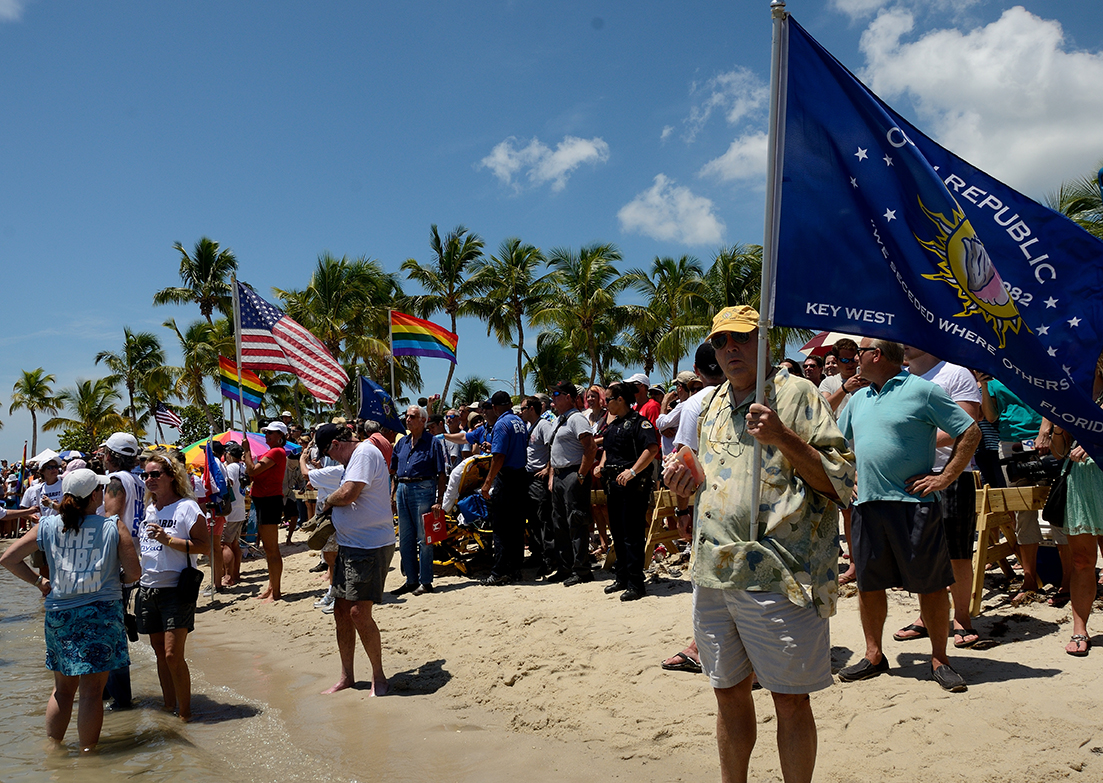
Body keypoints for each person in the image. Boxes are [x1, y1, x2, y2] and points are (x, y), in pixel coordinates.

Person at [662, 305, 855, 783]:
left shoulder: (798, 395)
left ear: (765, 344)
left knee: (789, 699)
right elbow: (702, 480)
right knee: (727, 692)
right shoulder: (707, 405)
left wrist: (783, 436)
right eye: (721, 342)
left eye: (741, 339)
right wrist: (680, 488)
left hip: (781, 574)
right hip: (712, 570)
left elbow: (840, 484)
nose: (730, 349)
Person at [837, 338, 980, 692]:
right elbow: (836, 445)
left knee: (930, 585)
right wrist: (847, 479)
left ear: (877, 355)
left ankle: (939, 659)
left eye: (859, 352)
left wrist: (945, 477)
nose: (854, 358)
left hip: (914, 506)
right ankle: (873, 655)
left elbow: (970, 431)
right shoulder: (858, 398)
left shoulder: (923, 390)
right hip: (867, 506)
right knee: (869, 584)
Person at [1, 469, 140, 751]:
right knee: (91, 693)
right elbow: (135, 572)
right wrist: (116, 579)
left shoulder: (49, 526)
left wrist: (40, 582)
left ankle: (53, 750)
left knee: (63, 691)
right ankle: (88, 756)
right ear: (93, 496)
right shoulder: (113, 527)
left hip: (60, 613)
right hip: (101, 613)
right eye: (99, 490)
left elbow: (8, 558)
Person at [891, 349, 983, 648]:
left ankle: (962, 618)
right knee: (921, 552)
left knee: (957, 553)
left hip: (952, 474)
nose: (904, 341)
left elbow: (967, 425)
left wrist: (913, 441)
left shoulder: (956, 373)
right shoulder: (900, 380)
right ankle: (926, 616)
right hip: (911, 477)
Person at [313, 424, 397, 694]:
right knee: (341, 612)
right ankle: (347, 676)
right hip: (350, 545)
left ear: (336, 444)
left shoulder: (362, 453)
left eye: (328, 452)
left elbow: (349, 493)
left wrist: (327, 502)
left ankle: (379, 677)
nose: (330, 458)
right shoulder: (352, 460)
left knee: (359, 613)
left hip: (370, 546)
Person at [135, 452, 210, 721]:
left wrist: (169, 540)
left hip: (177, 589)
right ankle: (169, 707)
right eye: (146, 475)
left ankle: (186, 714)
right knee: (159, 654)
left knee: (172, 655)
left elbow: (204, 545)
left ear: (171, 476)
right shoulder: (150, 509)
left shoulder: (187, 507)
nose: (150, 479)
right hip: (148, 588)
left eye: (156, 474)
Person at [1050, 356, 1103, 656]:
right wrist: (1058, 429)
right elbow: (1059, 453)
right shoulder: (1069, 395)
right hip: (1080, 486)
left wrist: (1096, 444)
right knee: (1082, 562)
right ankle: (1080, 629)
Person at [595, 382, 659, 601]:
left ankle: (636, 583)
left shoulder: (639, 424)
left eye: (608, 400)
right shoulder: (613, 425)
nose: (606, 404)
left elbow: (652, 449)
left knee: (632, 535)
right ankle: (621, 576)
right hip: (613, 485)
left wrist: (632, 471)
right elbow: (608, 450)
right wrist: (602, 465)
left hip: (633, 486)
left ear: (620, 400)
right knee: (619, 534)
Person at [389, 405, 446, 596]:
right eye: (407, 416)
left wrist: (439, 500)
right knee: (405, 539)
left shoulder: (432, 443)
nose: (408, 419)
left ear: (423, 420)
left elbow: (441, 473)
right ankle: (411, 580)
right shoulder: (402, 443)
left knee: (424, 538)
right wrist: (392, 495)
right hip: (403, 488)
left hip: (423, 488)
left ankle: (426, 581)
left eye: (412, 416)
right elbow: (394, 471)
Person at [547, 382, 597, 585]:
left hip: (573, 473)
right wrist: (552, 476)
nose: (553, 397)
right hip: (559, 475)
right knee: (559, 523)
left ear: (569, 396)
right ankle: (565, 567)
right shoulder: (559, 419)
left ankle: (582, 569)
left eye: (557, 394)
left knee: (576, 521)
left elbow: (591, 448)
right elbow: (553, 450)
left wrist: (582, 475)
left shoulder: (577, 419)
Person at [479, 390, 529, 585]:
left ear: (494, 407)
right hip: (520, 476)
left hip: (506, 477)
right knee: (517, 526)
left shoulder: (501, 424)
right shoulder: (519, 422)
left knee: (500, 527)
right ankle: (516, 569)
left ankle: (499, 571)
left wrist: (488, 481)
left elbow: (499, 456)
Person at [243, 421, 289, 602]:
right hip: (263, 500)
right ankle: (271, 587)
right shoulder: (271, 452)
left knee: (271, 549)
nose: (266, 435)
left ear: (280, 435)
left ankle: (275, 591)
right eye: (266, 432)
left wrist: (246, 450)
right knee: (268, 549)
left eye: (271, 433)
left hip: (269, 500)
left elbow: (252, 470)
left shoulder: (276, 452)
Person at [520, 396, 556, 577]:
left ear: (532, 409)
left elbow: (553, 446)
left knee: (544, 519)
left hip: (538, 477)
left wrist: (548, 468)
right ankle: (537, 554)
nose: (521, 412)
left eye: (523, 409)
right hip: (528, 476)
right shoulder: (527, 427)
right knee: (532, 518)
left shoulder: (544, 425)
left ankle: (550, 558)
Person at [221, 443, 247, 587]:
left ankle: (228, 576)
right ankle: (236, 573)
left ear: (229, 455)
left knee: (225, 544)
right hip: (240, 509)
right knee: (234, 543)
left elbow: (227, 484)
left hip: (231, 511)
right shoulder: (243, 467)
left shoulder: (231, 467)